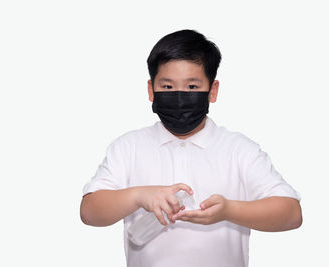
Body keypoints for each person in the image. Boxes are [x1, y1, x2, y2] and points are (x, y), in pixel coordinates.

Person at [80, 29, 302, 267]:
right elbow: (89, 212)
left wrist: (229, 210)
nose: (179, 97)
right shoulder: (128, 147)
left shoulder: (238, 149)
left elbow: (291, 213)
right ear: (150, 90)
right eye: (167, 87)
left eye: (192, 87)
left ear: (213, 91)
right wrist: (138, 195)